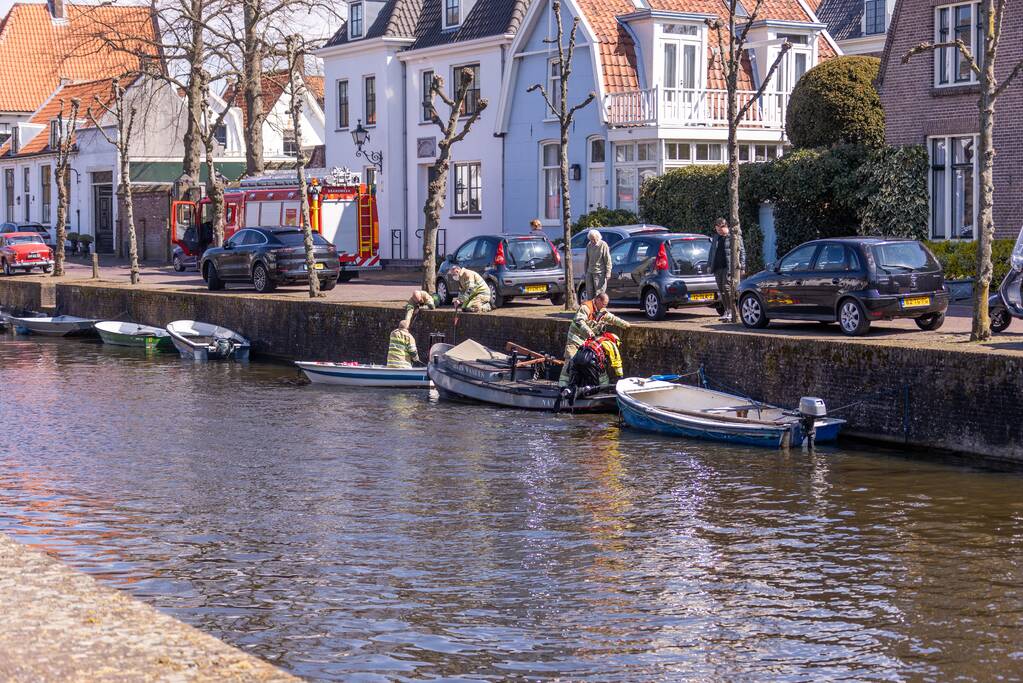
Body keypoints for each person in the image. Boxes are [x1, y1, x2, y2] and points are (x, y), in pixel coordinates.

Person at [559, 292, 630, 385]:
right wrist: (588, 331)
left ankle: (601, 386)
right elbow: (579, 321)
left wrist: (625, 324)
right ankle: (562, 385)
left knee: (595, 362)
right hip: (575, 339)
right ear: (598, 300)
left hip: (588, 341)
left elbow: (612, 318)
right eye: (604, 304)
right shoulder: (586, 308)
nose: (605, 306)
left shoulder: (602, 311)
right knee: (570, 361)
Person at [707, 217, 746, 322]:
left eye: (722, 227)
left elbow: (742, 251)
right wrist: (709, 265)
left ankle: (733, 311)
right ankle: (727, 311)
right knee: (721, 290)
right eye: (717, 228)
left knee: (727, 288)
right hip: (717, 268)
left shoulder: (734, 237)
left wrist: (742, 266)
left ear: (726, 226)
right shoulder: (716, 238)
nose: (720, 230)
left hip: (729, 268)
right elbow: (712, 253)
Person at [583, 229, 612, 301]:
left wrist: (608, 272)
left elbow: (608, 260)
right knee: (590, 294)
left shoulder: (603, 245)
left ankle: (598, 311)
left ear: (598, 238)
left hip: (600, 273)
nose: (592, 241)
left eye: (594, 239)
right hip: (590, 273)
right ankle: (591, 311)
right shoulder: (589, 245)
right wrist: (586, 272)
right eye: (591, 239)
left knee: (599, 295)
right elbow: (587, 259)